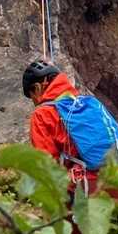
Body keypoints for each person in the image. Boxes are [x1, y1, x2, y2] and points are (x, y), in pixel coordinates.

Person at [22, 59, 97, 194]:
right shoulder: (88, 103)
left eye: (32, 97)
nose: (34, 103)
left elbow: (46, 162)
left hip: (83, 185)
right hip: (115, 177)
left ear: (38, 87)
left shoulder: (42, 114)